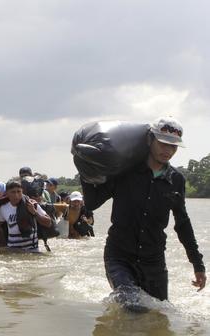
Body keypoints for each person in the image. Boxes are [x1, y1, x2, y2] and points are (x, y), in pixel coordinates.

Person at [81, 116, 206, 303]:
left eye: (173, 146)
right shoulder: (125, 171)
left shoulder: (176, 180)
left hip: (154, 261)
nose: (168, 150)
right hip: (119, 257)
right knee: (131, 304)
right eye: (163, 143)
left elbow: (183, 223)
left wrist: (198, 264)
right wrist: (85, 168)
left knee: (160, 315)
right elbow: (92, 203)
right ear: (149, 140)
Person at [0, 179, 52, 252]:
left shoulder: (32, 204)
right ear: (7, 193)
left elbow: (48, 223)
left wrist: (34, 213)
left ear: (22, 192)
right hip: (13, 252)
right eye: (13, 192)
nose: (16, 195)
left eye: (19, 192)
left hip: (32, 251)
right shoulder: (3, 208)